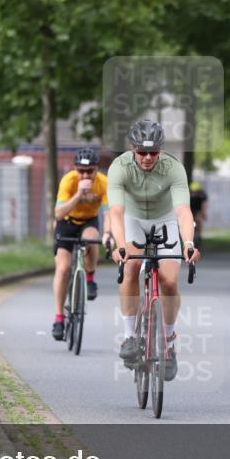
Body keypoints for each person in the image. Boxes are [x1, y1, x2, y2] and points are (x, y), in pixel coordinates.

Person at [109, 120, 200, 381]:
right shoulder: (120, 167)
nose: (148, 158)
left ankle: (169, 342)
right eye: (141, 152)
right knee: (132, 266)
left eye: (153, 152)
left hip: (166, 219)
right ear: (132, 149)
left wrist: (189, 243)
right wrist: (120, 245)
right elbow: (116, 212)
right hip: (133, 219)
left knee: (169, 280)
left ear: (160, 150)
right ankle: (129, 336)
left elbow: (183, 211)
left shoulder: (173, 168)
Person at [51, 148, 111, 341]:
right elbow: (58, 213)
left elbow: (109, 213)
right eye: (81, 171)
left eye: (90, 171)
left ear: (96, 170)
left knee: (92, 238)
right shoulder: (69, 180)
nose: (85, 175)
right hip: (66, 222)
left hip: (88, 222)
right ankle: (59, 318)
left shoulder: (103, 183)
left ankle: (90, 278)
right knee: (62, 269)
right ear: (76, 170)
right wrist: (79, 194)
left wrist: (109, 233)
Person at [189, 181, 208, 251]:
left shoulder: (202, 195)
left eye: (196, 192)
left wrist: (203, 214)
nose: (195, 193)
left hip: (198, 210)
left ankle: (199, 236)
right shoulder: (189, 195)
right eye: (193, 192)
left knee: (199, 221)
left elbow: (204, 205)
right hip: (191, 210)